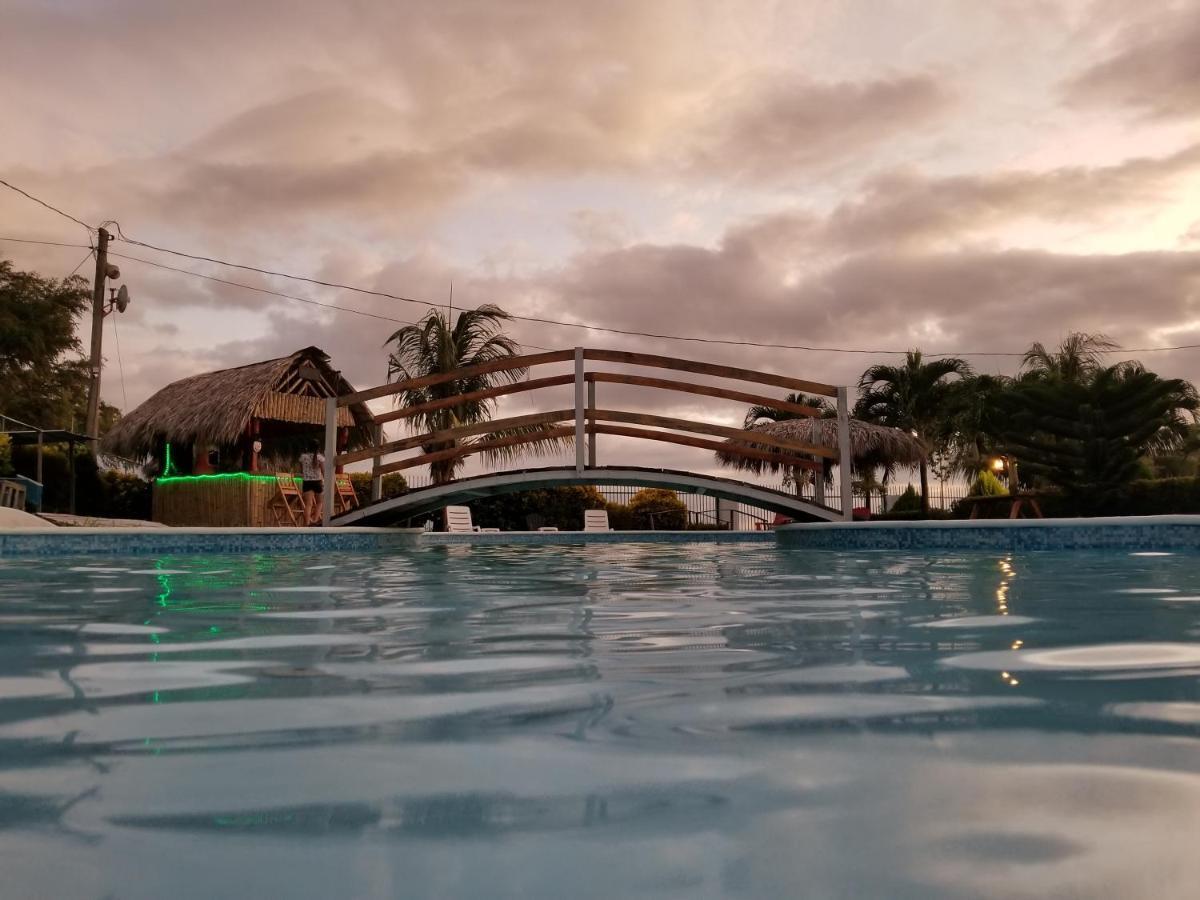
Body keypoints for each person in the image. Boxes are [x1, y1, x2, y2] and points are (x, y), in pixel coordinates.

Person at [298, 440, 326, 525]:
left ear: (308, 447)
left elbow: (301, 470)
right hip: (317, 482)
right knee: (320, 502)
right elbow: (323, 471)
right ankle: (315, 520)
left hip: (307, 482)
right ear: (318, 448)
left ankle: (307, 523)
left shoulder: (303, 457)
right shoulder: (320, 458)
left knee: (308, 504)